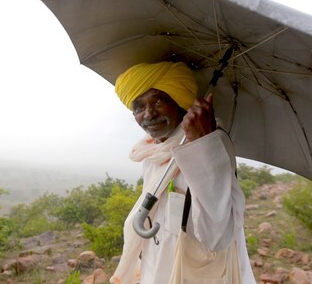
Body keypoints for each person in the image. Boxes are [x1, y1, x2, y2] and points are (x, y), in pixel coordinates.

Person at [110, 61, 256, 284]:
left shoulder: (212, 143)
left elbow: (217, 236)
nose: (148, 114)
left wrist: (202, 146)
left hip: (199, 273)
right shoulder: (153, 150)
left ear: (179, 100)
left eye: (159, 100)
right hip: (156, 267)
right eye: (138, 106)